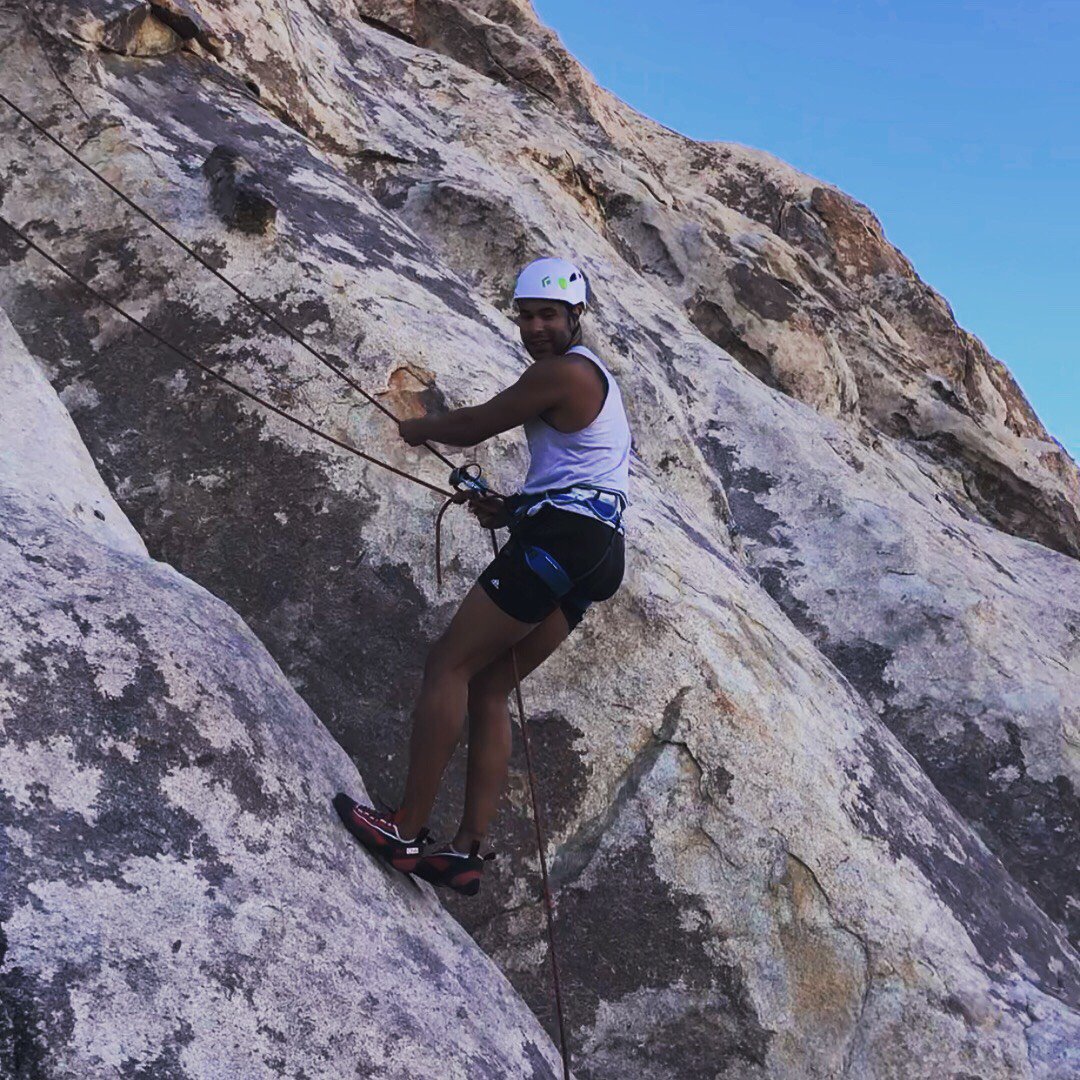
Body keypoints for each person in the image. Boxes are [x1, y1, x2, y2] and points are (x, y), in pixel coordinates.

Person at [333, 256, 631, 896]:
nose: (535, 328)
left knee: (449, 666)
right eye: (526, 317)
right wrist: (515, 508)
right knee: (491, 686)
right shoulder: (596, 379)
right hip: (598, 551)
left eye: (548, 315)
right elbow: (583, 476)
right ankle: (467, 850)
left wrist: (417, 427)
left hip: (564, 538)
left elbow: (476, 424)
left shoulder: (564, 373)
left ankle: (406, 828)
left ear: (575, 316)